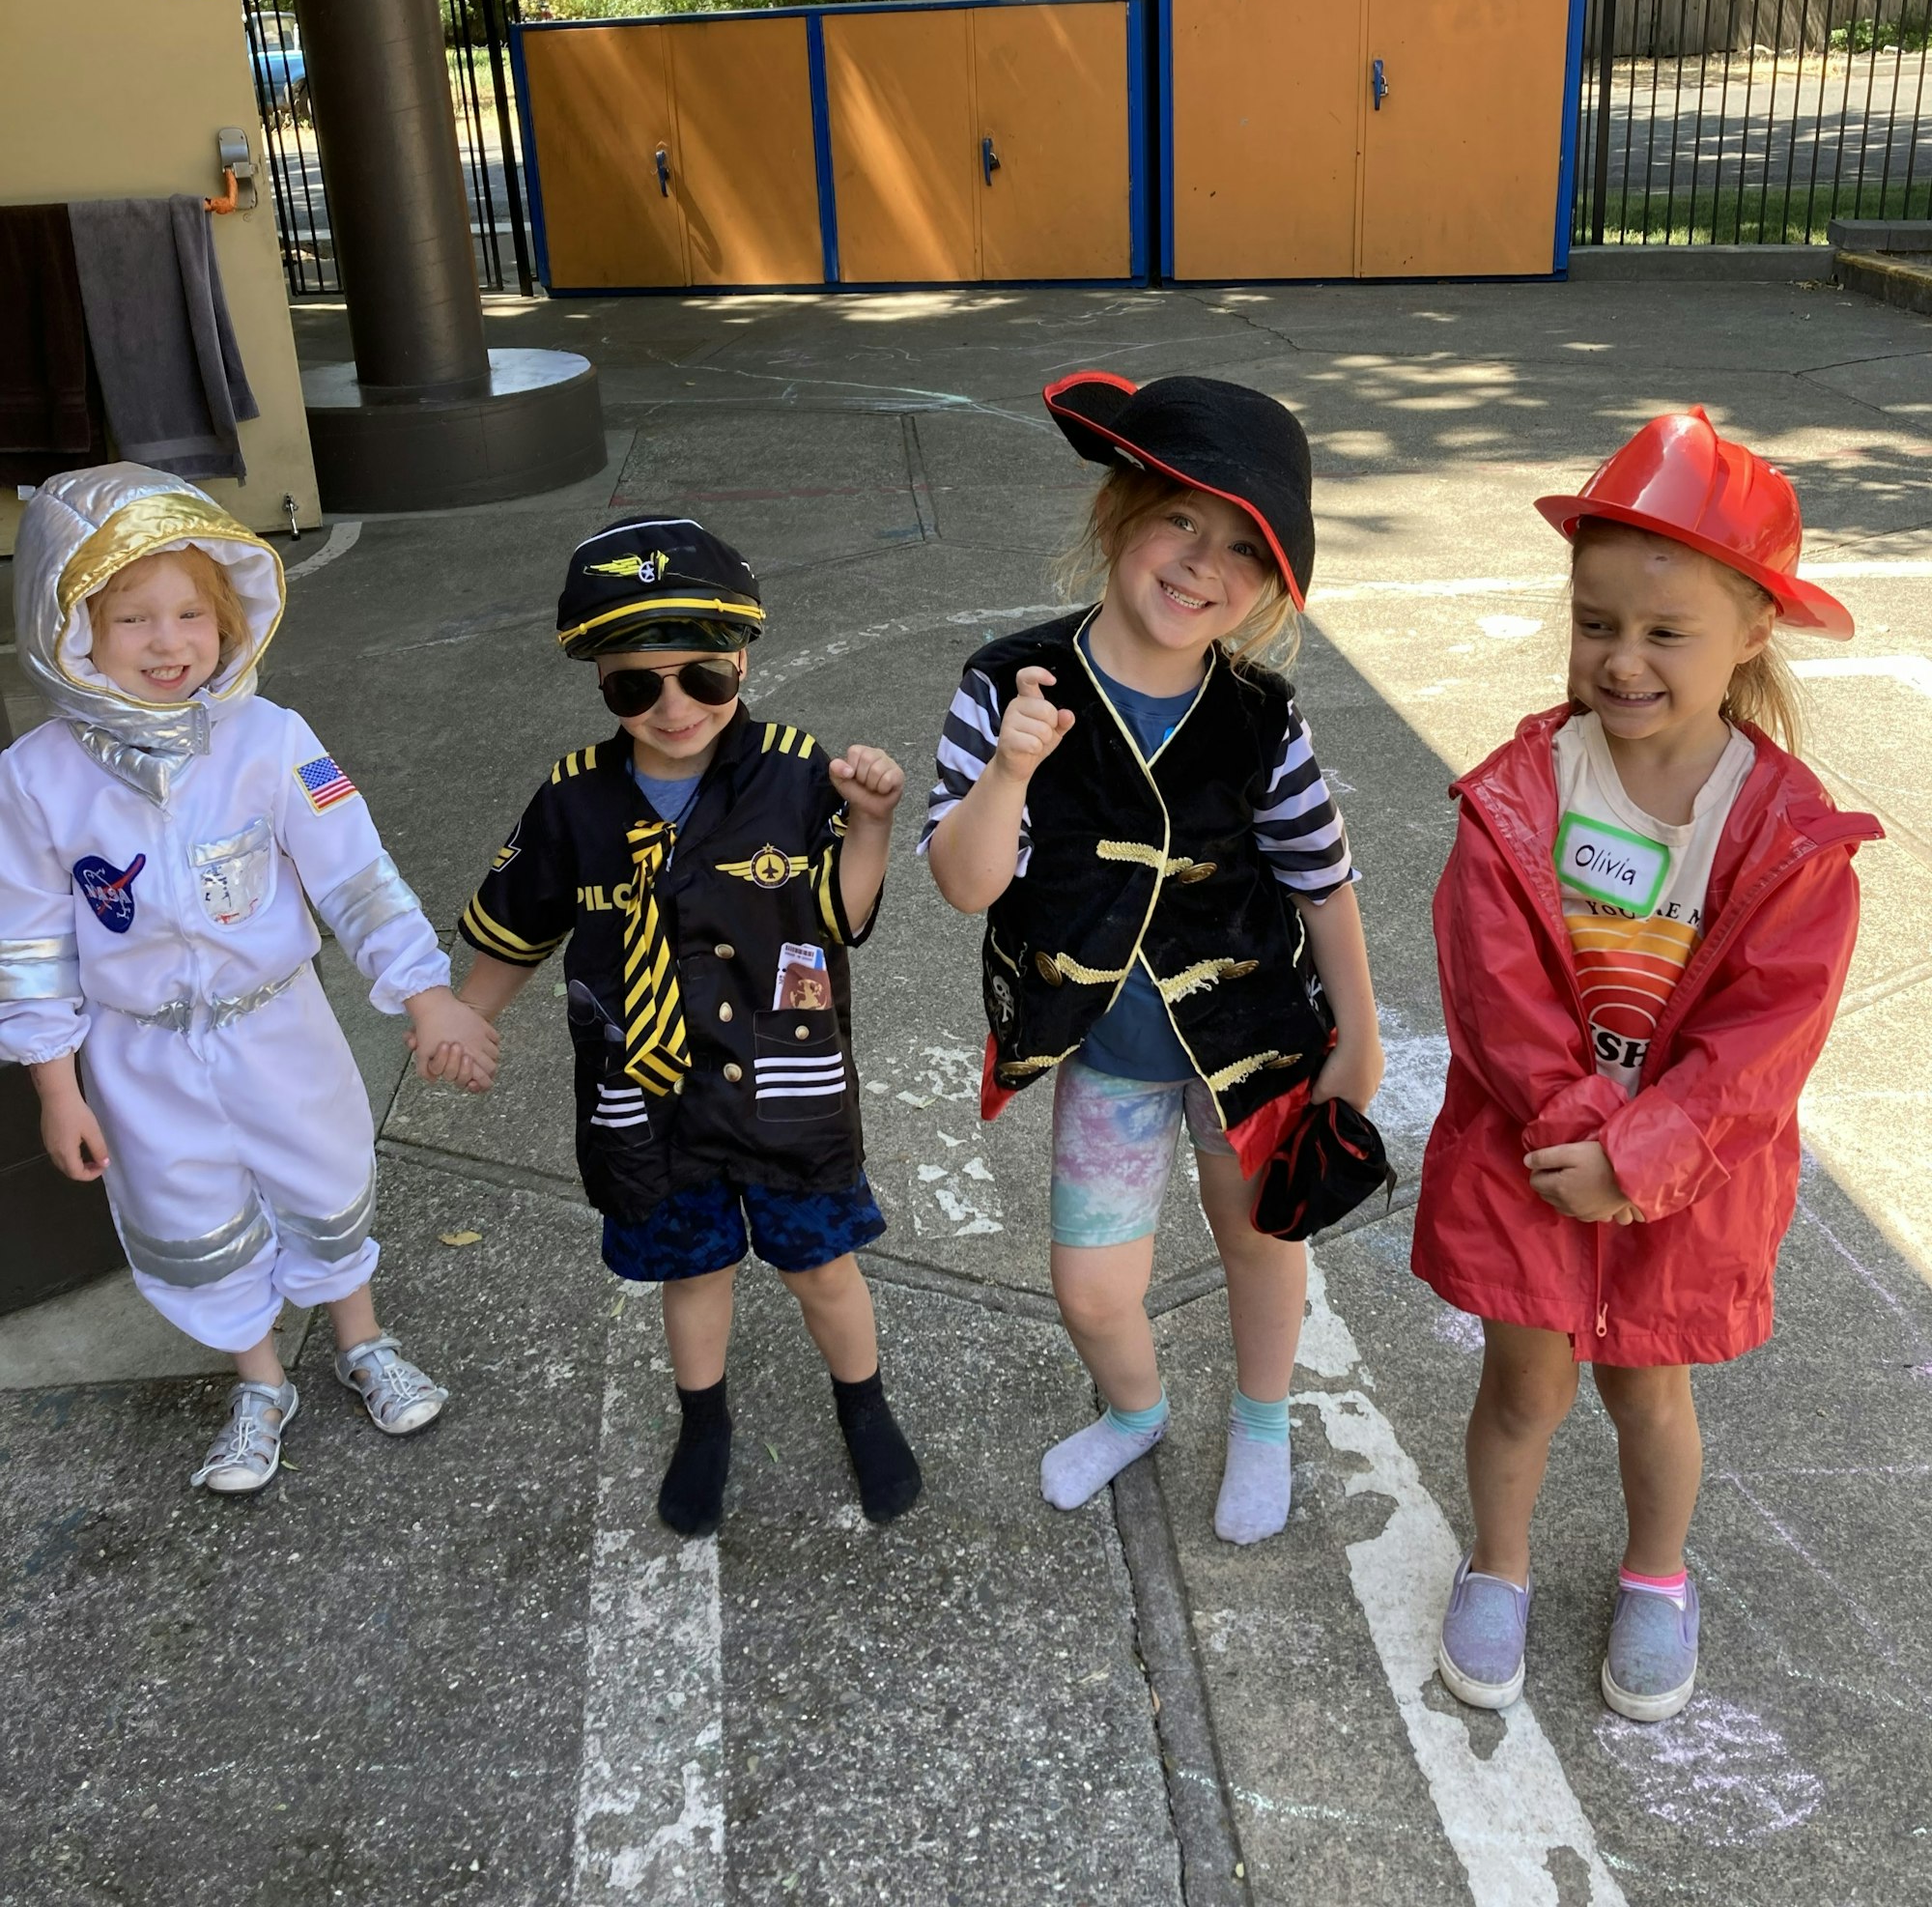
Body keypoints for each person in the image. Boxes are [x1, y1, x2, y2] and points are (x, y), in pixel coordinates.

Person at [1416, 409, 1883, 1722]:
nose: (1620, 661)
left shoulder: (1786, 833)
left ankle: (1657, 1576)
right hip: (1531, 1157)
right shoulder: (1524, 791)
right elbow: (1494, 989)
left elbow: (1764, 1041)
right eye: (1595, 621)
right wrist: (1581, 1136)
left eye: (1663, 632)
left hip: (1683, 1178)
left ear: (1752, 633)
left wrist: (1643, 1156)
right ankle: (1498, 1566)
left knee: (1649, 1387)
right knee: (1522, 1384)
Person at [923, 373, 1383, 1545]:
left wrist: (1360, 1030)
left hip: (1253, 1038)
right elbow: (963, 881)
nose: (1199, 564)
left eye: (1241, 546)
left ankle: (1264, 1419)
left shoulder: (1261, 713)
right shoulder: (1010, 680)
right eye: (1180, 516)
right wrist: (1009, 772)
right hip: (1106, 1051)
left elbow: (1319, 876)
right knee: (1090, 1287)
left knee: (1259, 1238)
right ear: (1121, 512)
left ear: (1269, 585)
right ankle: (1135, 1410)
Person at [0, 464, 498, 1494]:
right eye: (131, 617)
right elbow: (32, 933)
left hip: (279, 1029)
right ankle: (260, 1379)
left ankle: (361, 1339)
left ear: (229, 616)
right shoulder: (37, 775)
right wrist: (57, 1084)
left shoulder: (272, 741)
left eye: (192, 611)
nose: (169, 640)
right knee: (191, 1210)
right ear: (66, 625)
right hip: (135, 1053)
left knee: (321, 1177)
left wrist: (425, 987)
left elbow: (353, 872)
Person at [453, 515, 921, 1535]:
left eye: (702, 677)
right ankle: (701, 1420)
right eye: (637, 685)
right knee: (691, 1267)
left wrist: (872, 822)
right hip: (646, 1092)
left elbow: (843, 915)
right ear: (601, 684)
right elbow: (517, 929)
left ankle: (864, 1403)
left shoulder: (799, 773)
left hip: (783, 1082)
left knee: (817, 1264)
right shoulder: (572, 801)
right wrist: (465, 1015)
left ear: (741, 660)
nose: (674, 706)